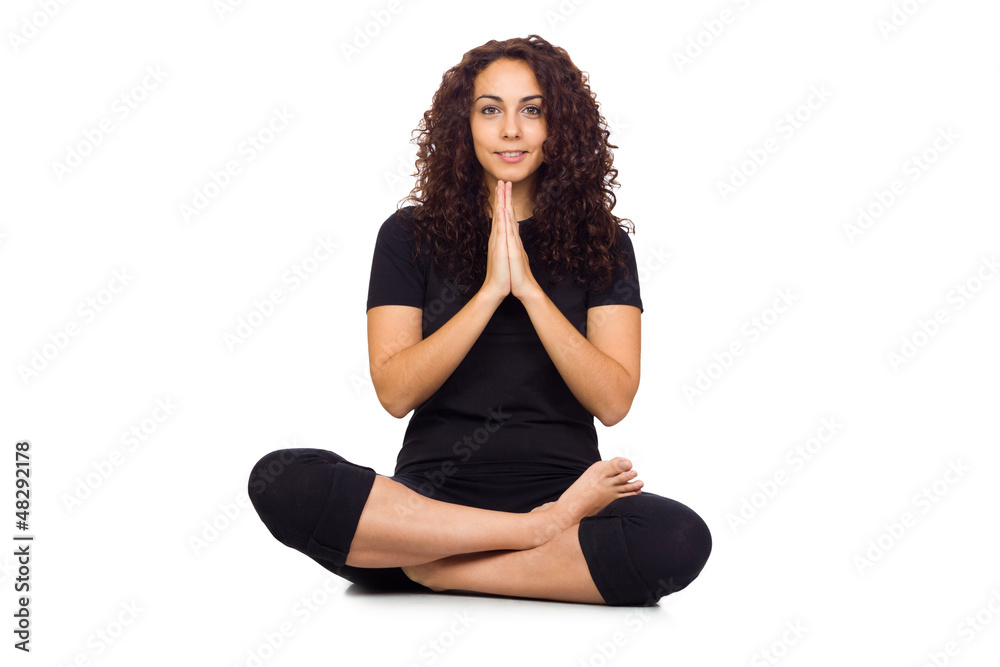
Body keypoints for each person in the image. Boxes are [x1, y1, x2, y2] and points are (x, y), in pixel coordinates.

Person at [248, 34, 711, 606]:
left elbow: (613, 401)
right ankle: (522, 541)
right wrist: (491, 292)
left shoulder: (603, 243)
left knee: (679, 538)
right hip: (431, 507)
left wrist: (531, 294)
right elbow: (395, 392)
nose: (510, 130)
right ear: (463, 126)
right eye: (490, 109)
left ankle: (437, 572)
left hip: (565, 492)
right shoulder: (408, 236)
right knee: (284, 478)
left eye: (532, 110)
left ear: (559, 125)